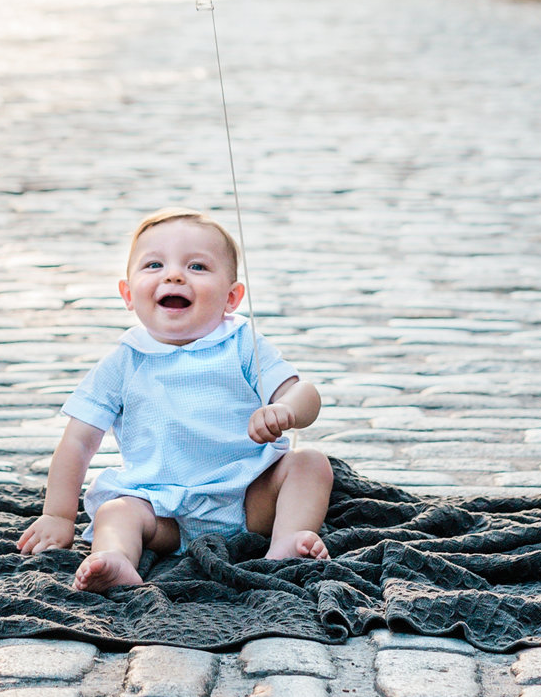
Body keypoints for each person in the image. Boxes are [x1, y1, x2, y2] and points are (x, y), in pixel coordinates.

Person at [17, 207, 333, 590]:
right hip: (160, 508)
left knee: (310, 464)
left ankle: (286, 542)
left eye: (197, 267)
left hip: (249, 497)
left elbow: (304, 393)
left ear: (232, 297)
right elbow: (79, 441)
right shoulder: (124, 361)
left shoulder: (242, 345)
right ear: (128, 294)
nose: (174, 274)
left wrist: (286, 409)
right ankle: (116, 558)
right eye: (154, 264)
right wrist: (58, 515)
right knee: (117, 511)